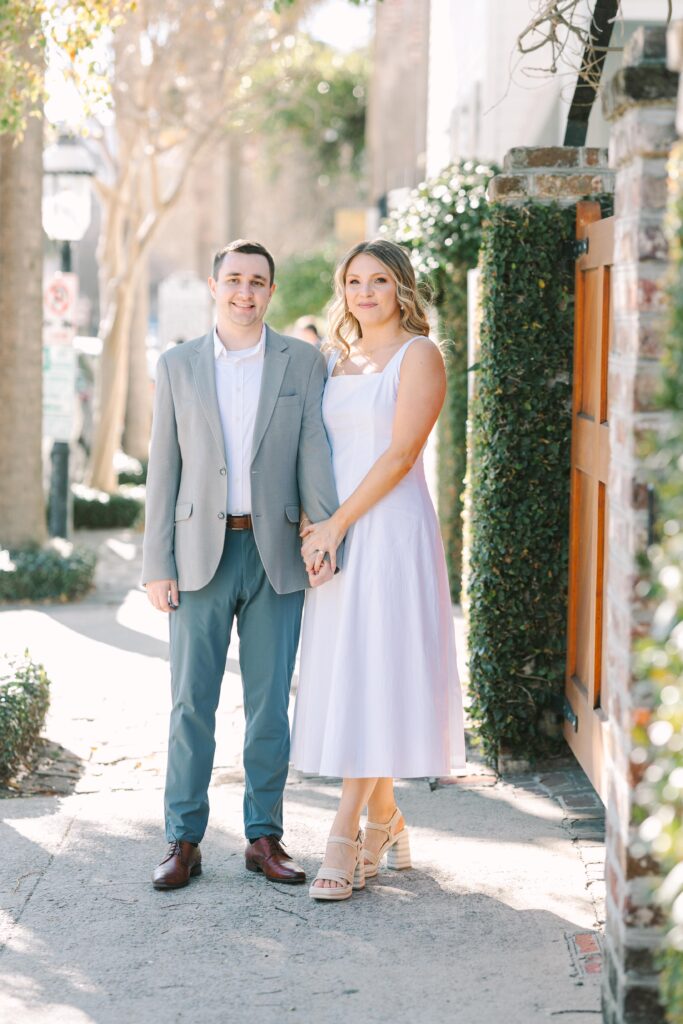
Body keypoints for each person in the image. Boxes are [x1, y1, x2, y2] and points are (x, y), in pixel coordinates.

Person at [142, 239, 339, 891]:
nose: (244, 292)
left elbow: (314, 451)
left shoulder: (303, 362)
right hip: (198, 554)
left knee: (267, 707)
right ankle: (183, 838)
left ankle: (263, 837)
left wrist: (325, 537)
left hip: (274, 552)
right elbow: (162, 469)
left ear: (270, 291)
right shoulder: (177, 365)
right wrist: (155, 563)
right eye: (233, 280)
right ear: (213, 285)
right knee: (189, 704)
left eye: (257, 281)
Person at [291, 238, 466, 902]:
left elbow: (399, 454)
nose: (365, 293)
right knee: (357, 671)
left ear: (402, 290)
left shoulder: (419, 355)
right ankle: (386, 821)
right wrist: (315, 527)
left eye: (379, 281)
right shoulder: (335, 360)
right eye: (354, 281)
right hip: (333, 536)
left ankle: (344, 834)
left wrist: (339, 523)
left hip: (389, 533)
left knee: (376, 667)